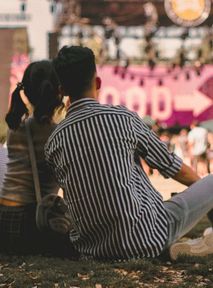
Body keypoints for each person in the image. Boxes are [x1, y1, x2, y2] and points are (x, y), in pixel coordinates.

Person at [45, 46, 213, 261]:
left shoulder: (54, 141)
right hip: (148, 236)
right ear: (97, 83)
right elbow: (171, 167)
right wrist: (204, 195)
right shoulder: (123, 118)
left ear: (62, 91)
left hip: (93, 251)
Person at [0, 60, 76, 257]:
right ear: (59, 92)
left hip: (5, 220)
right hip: (34, 223)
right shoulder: (58, 133)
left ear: (27, 92)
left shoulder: (14, 129)